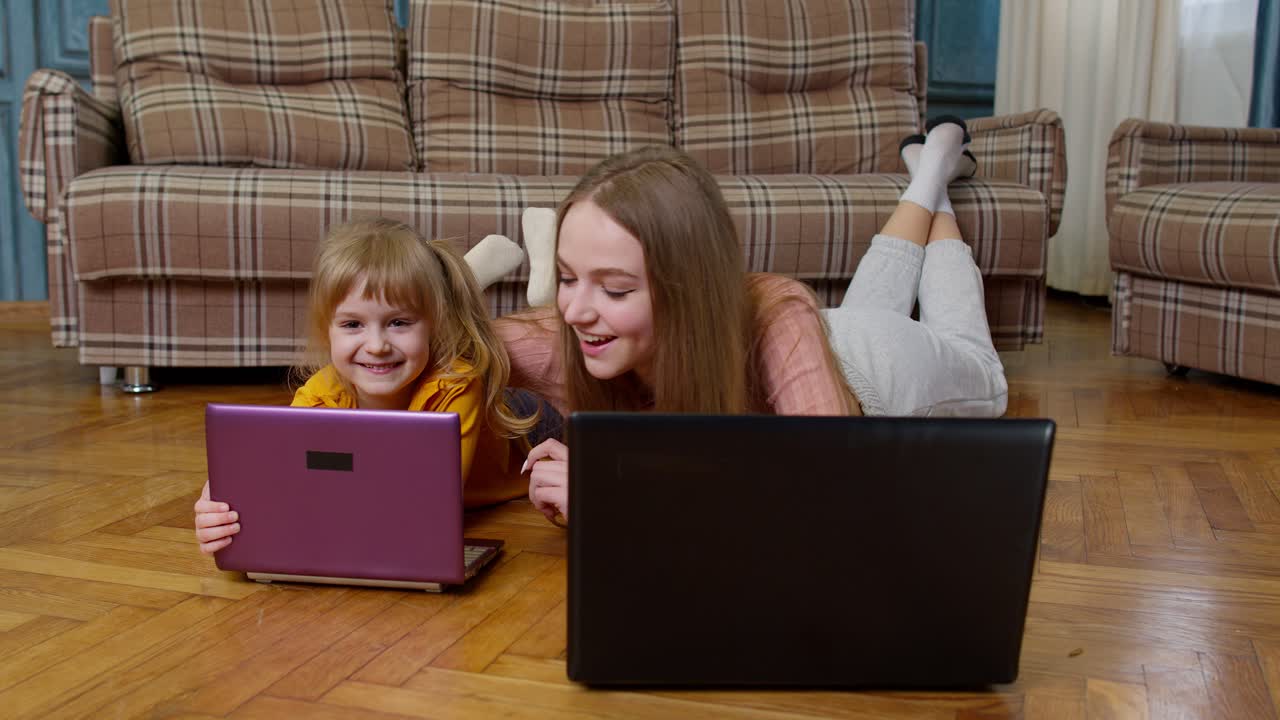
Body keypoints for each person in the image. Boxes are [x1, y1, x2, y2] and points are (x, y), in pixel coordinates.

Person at [499, 118, 1007, 525]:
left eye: (615, 289)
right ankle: (931, 168)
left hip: (876, 373)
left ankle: (936, 170)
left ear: (689, 288)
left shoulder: (778, 313)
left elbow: (834, 492)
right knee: (860, 306)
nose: (575, 311)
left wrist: (619, 492)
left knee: (987, 377)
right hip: (820, 340)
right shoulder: (566, 336)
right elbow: (439, 335)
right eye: (567, 278)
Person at [193, 218, 537, 554]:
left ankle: (533, 290)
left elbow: (424, 504)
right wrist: (229, 507)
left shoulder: (457, 385)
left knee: (537, 365)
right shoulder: (320, 395)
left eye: (398, 322)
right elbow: (292, 483)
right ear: (327, 329)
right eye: (353, 324)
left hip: (526, 425)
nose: (376, 346)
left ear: (433, 326)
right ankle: (459, 283)